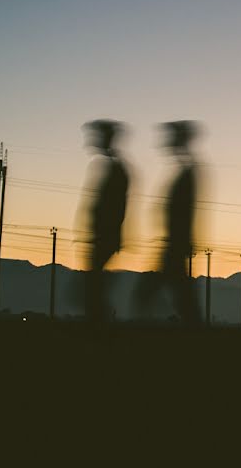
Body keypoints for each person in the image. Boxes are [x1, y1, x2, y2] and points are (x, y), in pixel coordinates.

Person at [135, 121, 201, 325]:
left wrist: (183, 240)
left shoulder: (187, 173)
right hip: (174, 243)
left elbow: (186, 211)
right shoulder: (186, 171)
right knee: (182, 295)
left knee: (148, 294)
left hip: (175, 244)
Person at [81, 119, 130, 325]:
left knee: (93, 289)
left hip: (104, 237)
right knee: (93, 288)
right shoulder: (112, 166)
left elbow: (116, 207)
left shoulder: (115, 169)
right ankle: (101, 328)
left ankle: (102, 331)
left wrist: (105, 233)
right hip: (103, 237)